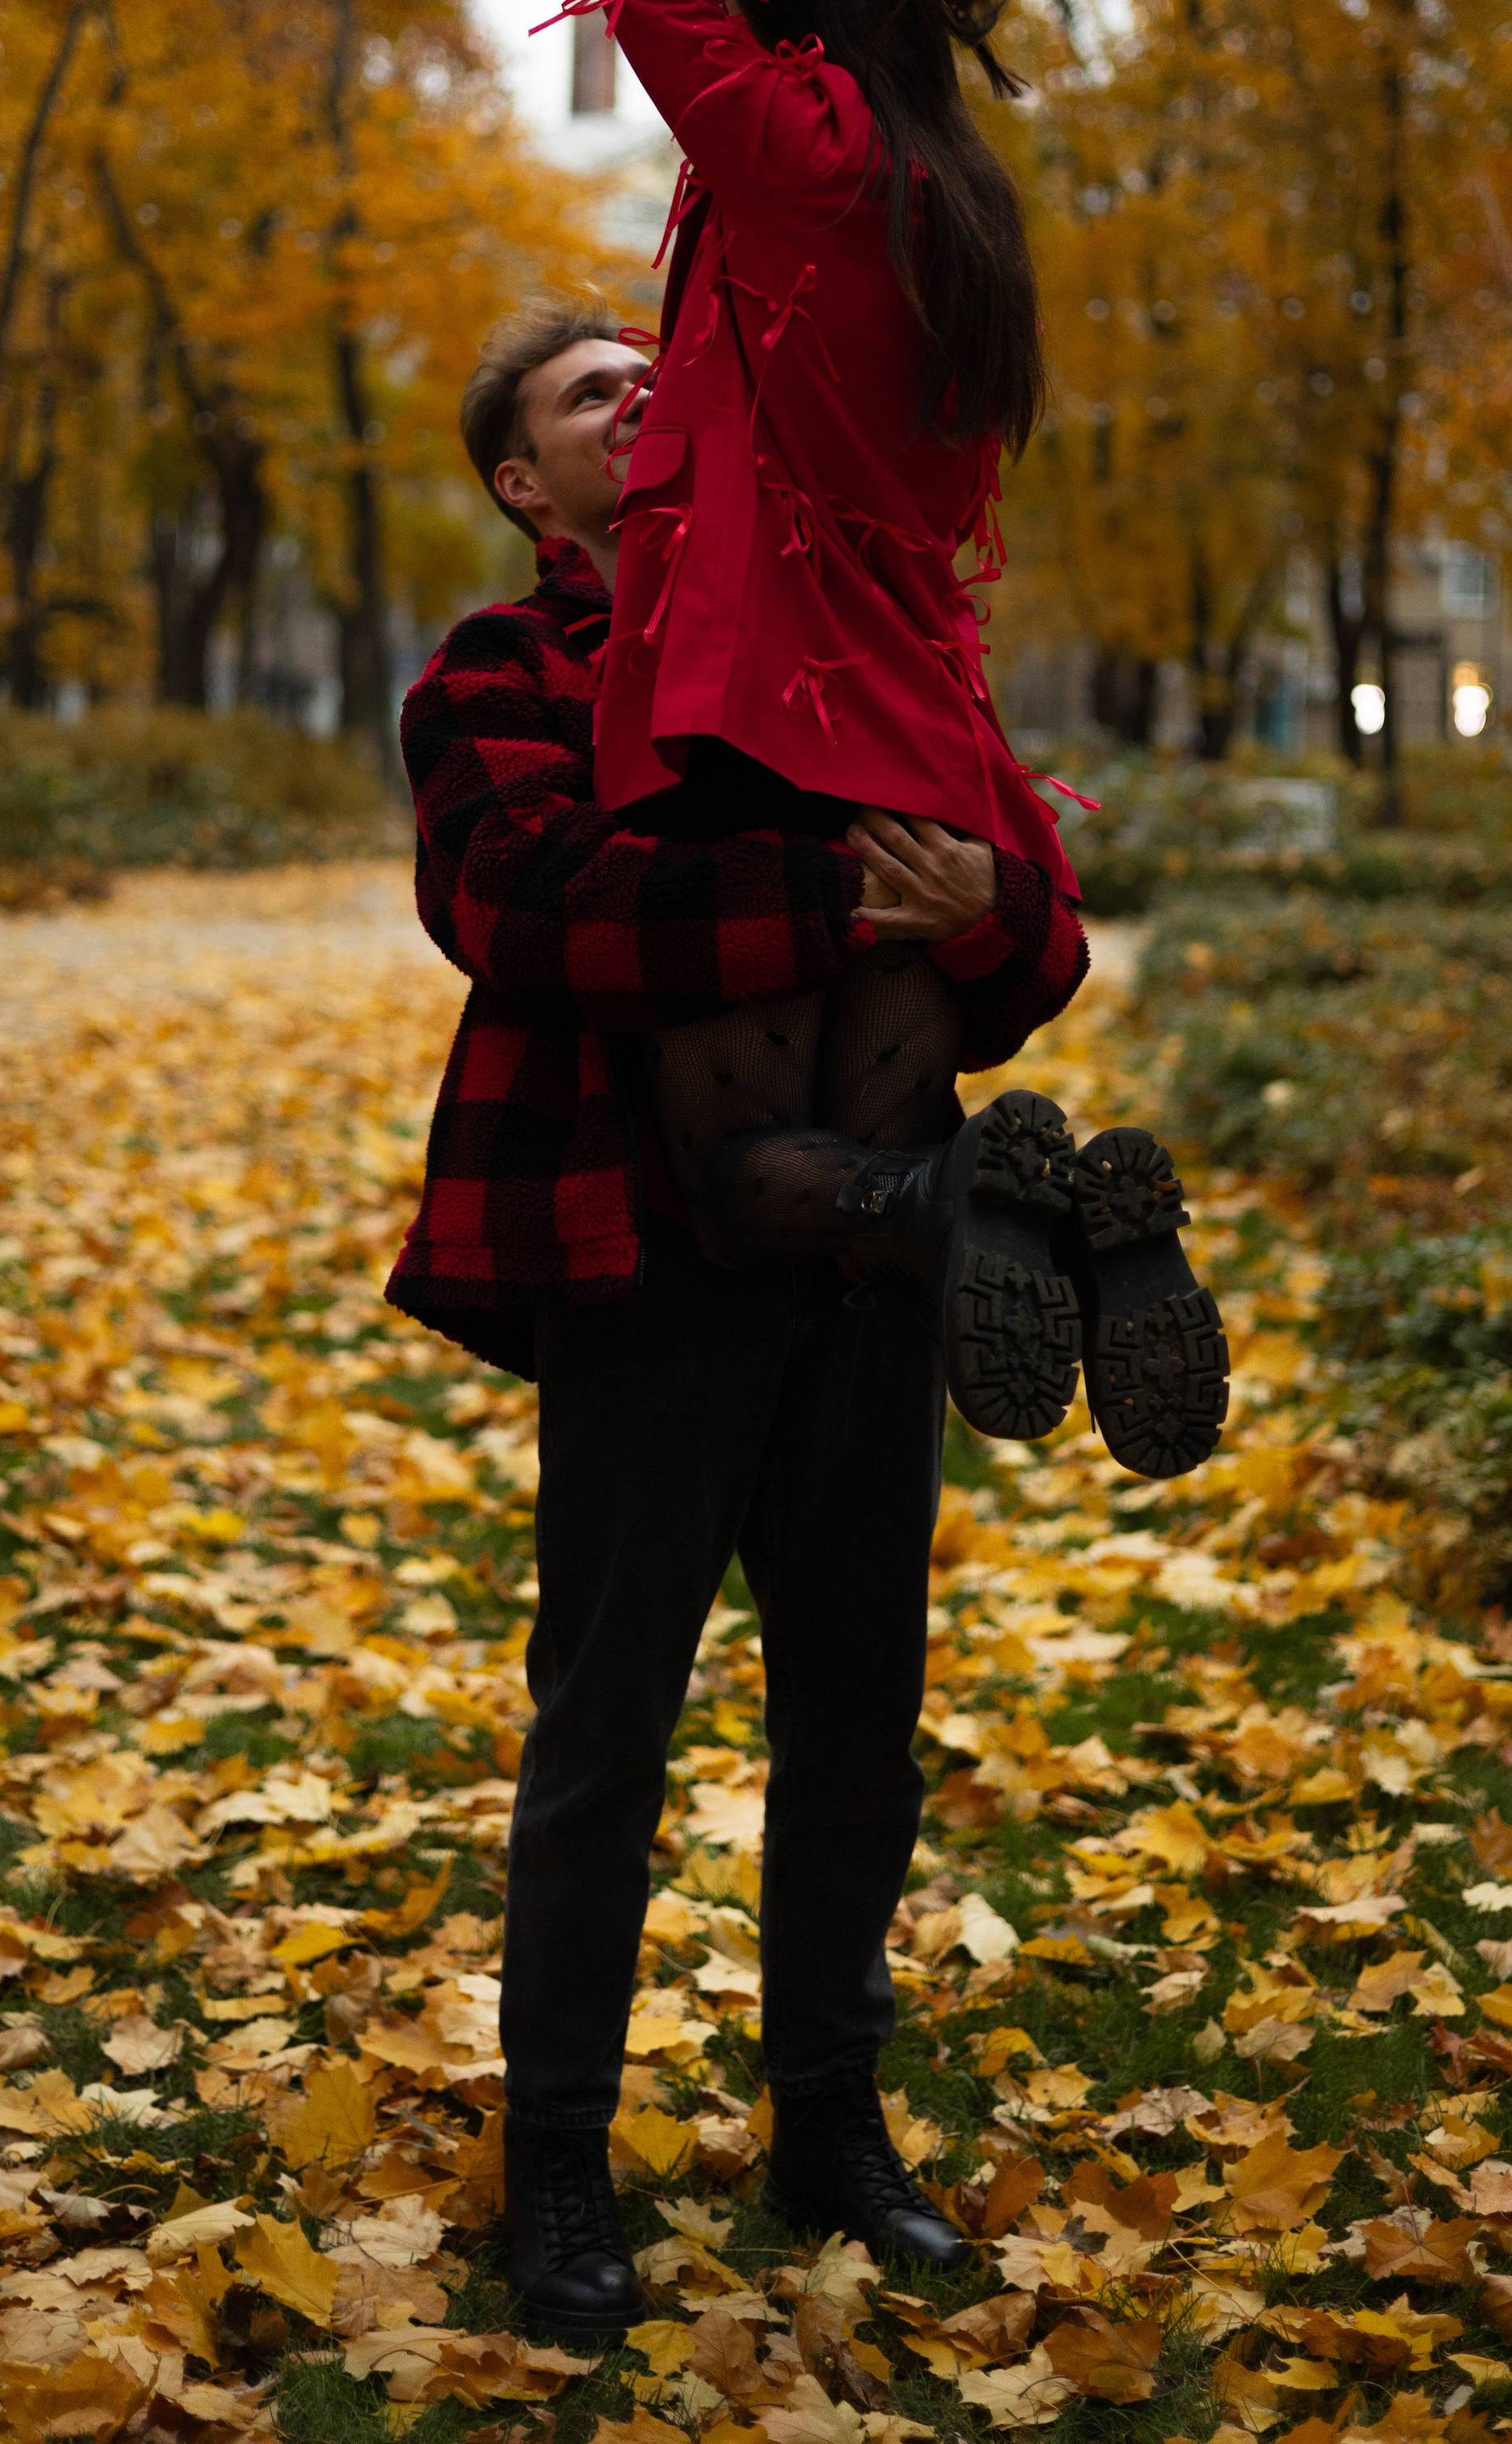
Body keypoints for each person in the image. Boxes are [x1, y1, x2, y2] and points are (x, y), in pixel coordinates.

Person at [388, 295, 1092, 2329]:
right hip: (634, 1251)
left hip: (874, 1286)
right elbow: (525, 908)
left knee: (855, 1720)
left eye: (653, 373)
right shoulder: (497, 671)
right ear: (528, 483)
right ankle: (557, 2175)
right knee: (606, 1723)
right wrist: (838, 898)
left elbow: (1022, 914)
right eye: (590, 394)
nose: (641, 399)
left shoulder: (841, 627)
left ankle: (830, 2132)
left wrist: (988, 915)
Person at [580, 0, 1228, 1470]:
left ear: (795, 24)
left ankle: (990, 1211)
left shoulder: (801, 149)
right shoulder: (963, 209)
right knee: (852, 1181)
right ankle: (1023, 1216)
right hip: (913, 744)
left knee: (741, 1178)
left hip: (757, 721)